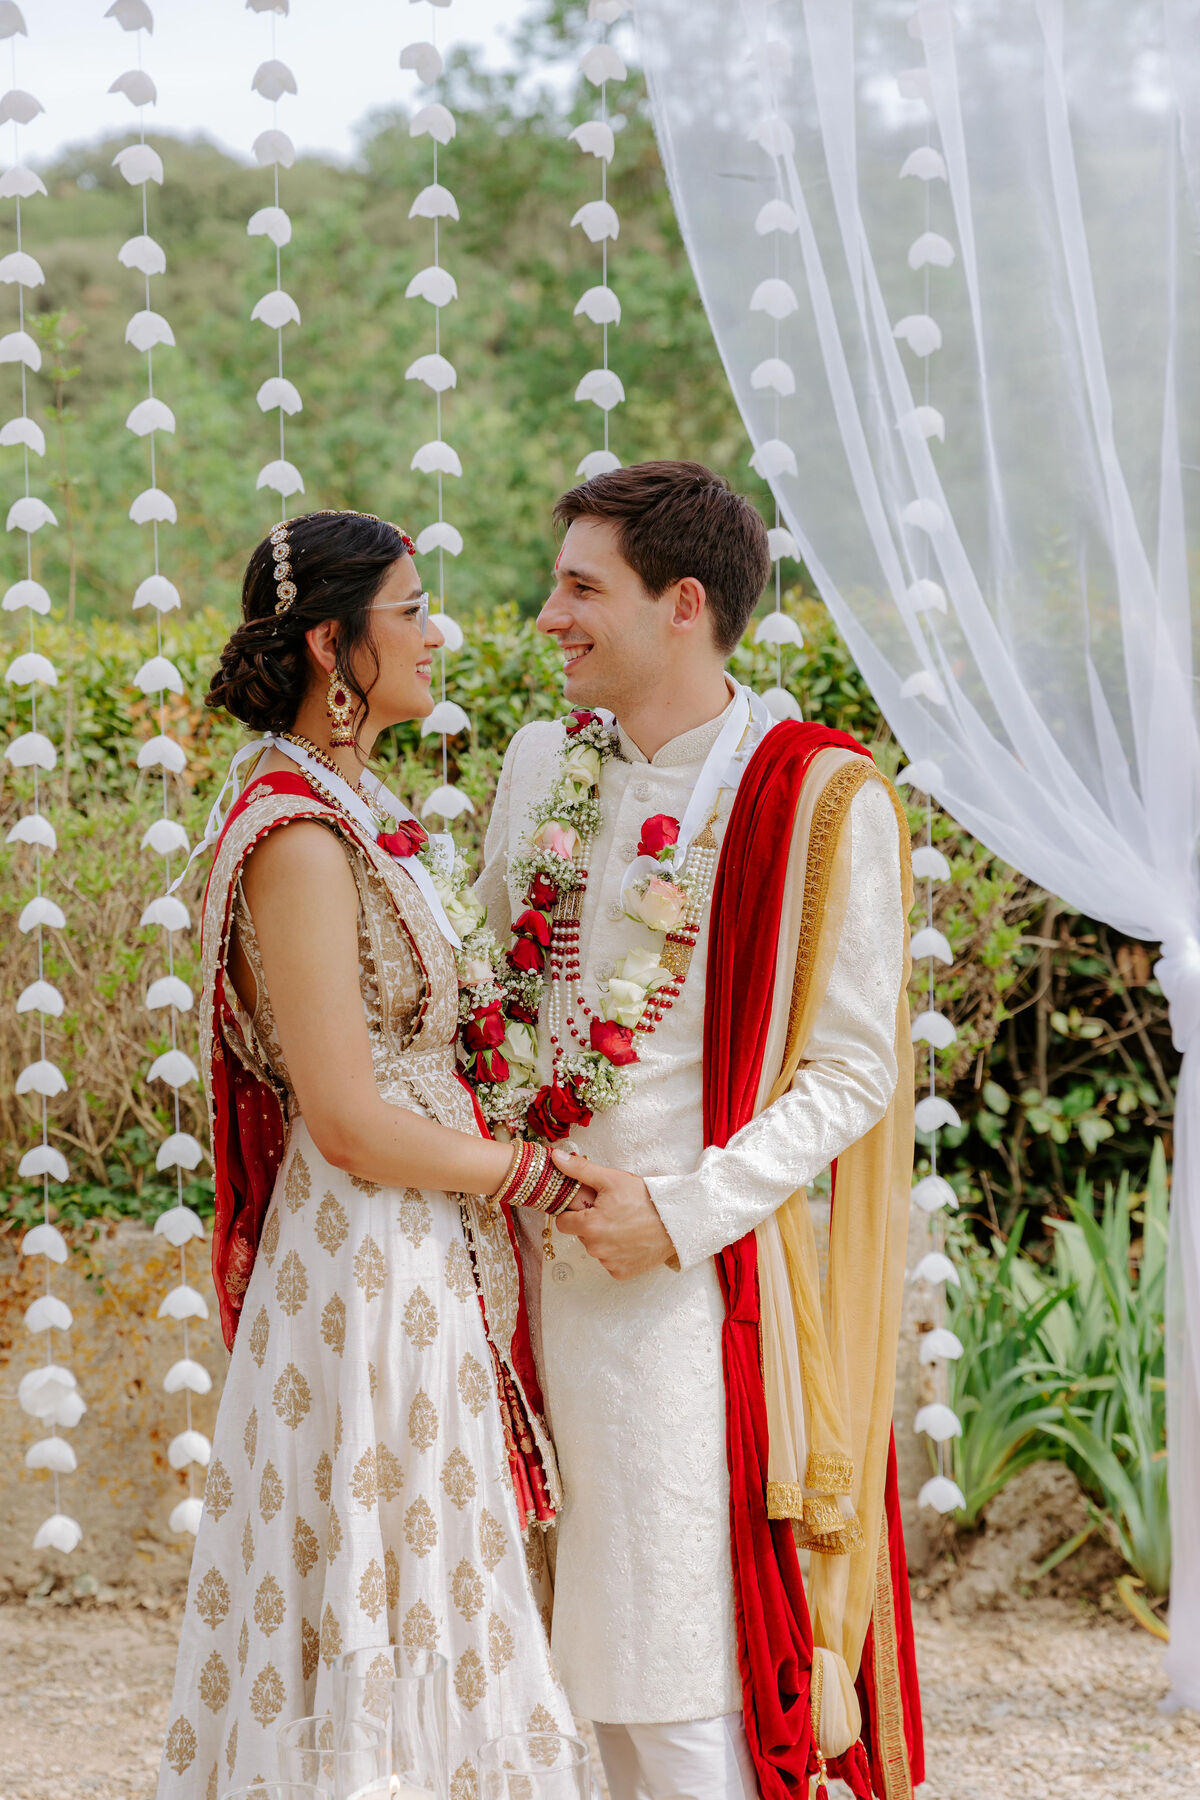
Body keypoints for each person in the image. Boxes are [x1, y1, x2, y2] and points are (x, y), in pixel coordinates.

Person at [473, 462, 924, 1800]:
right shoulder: (540, 760)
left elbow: (852, 1073)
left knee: (670, 1665)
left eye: (578, 587)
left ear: (682, 604)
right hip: (511, 1265)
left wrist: (678, 1210)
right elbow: (492, 990)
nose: (547, 615)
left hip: (680, 1294)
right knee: (543, 1682)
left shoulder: (823, 800)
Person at [155, 510, 580, 1800]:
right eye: (411, 608)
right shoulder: (293, 828)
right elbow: (342, 1112)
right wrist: (531, 1179)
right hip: (367, 1257)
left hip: (408, 1238)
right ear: (335, 645)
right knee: (377, 1574)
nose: (435, 631)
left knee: (429, 1576)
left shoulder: (350, 802)